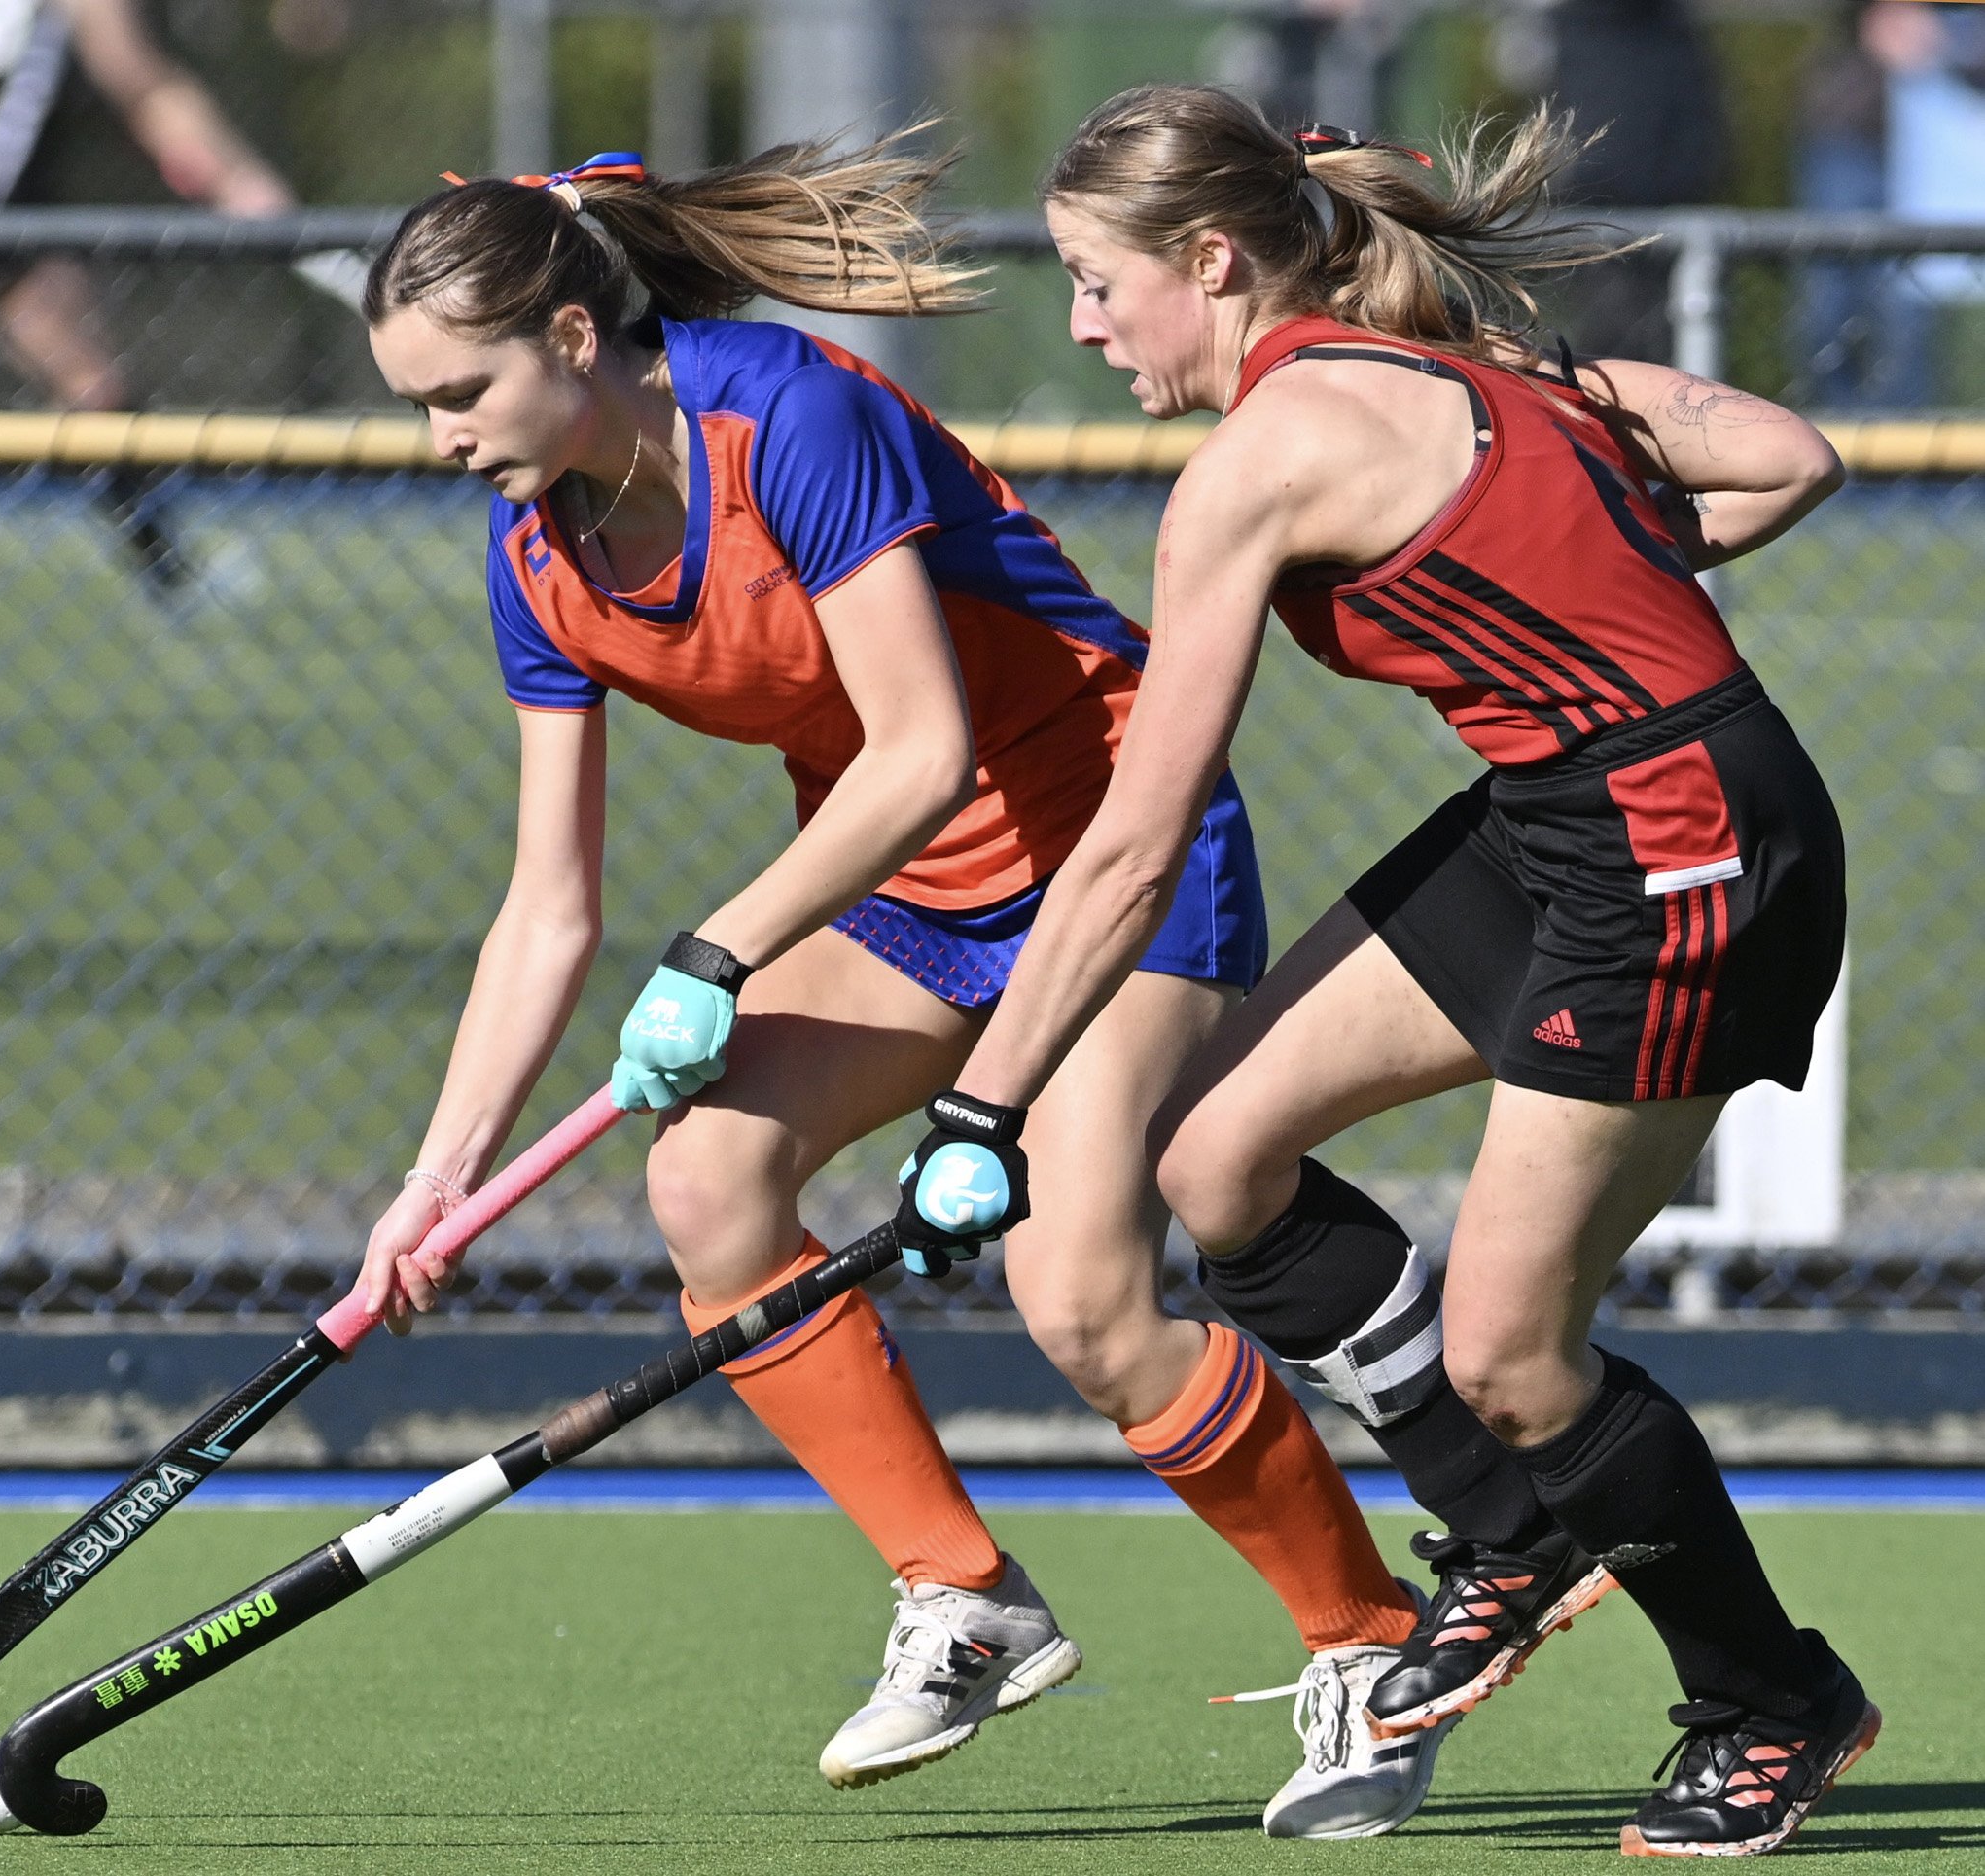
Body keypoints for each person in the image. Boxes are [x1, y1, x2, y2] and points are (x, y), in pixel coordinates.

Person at [346, 136, 1457, 1832]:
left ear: (571, 341)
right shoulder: (536, 558)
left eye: (457, 389)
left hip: (1107, 852)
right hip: (913, 897)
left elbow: (924, 745)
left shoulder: (786, 413)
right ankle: (964, 1593)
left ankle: (1371, 1641)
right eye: (416, 401)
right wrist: (437, 1179)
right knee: (704, 1172)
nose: (440, 436)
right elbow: (544, 907)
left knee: (1077, 1290)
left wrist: (718, 947)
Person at [892, 86, 1877, 1858]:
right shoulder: (1468, 361)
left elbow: (1128, 847)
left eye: (1097, 281)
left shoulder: (1259, 462)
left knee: (1510, 1343)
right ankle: (1513, 1523)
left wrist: (986, 1097)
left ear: (1211, 260)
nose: (1083, 322)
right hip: (1563, 804)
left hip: (1673, 841)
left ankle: (1767, 1697)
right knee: (1211, 1153)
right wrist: (1616, 586)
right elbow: (1784, 456)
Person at [0, 0, 302, 596]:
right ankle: (168, 573)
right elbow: (144, 87)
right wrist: (235, 179)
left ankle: (166, 569)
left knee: (84, 390)